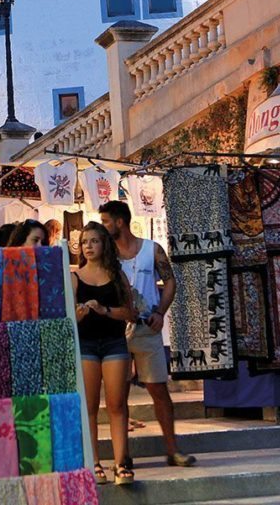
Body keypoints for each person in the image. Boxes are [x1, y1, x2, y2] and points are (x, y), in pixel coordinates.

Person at [99, 200, 196, 469]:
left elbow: (170, 280)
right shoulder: (106, 255)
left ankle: (172, 449)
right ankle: (123, 456)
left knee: (158, 389)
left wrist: (161, 312)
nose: (105, 227)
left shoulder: (151, 250)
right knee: (117, 396)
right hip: (116, 329)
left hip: (146, 327)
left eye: (107, 221)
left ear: (120, 221)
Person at [72, 222, 135, 486]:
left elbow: (131, 313)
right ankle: (94, 461)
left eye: (94, 241)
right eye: (85, 242)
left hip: (113, 342)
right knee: (89, 406)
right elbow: (67, 318)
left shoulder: (117, 276)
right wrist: (78, 315)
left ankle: (121, 463)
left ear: (104, 244)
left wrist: (105, 310)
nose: (88, 246)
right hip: (86, 344)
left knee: (117, 404)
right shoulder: (74, 277)